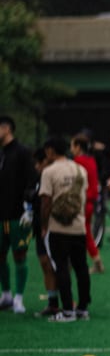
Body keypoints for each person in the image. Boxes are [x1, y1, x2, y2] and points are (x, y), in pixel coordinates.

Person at [39, 136, 90, 322]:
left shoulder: (49, 172)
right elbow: (82, 197)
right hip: (79, 227)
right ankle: (83, 308)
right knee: (81, 268)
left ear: (51, 151)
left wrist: (44, 226)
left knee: (61, 267)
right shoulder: (80, 170)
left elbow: (46, 202)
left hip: (58, 227)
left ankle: (67, 310)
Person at [0, 115, 38, 315]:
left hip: (17, 215)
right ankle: (5, 294)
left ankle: (19, 297)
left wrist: (29, 209)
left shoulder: (22, 152)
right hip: (0, 215)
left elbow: (32, 181)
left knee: (19, 255)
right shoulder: (1, 154)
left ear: (7, 129)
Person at [71, 134, 105, 275]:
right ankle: (96, 262)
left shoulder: (77, 161)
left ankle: (92, 262)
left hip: (82, 203)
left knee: (77, 234)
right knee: (86, 234)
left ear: (78, 147)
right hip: (90, 203)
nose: (71, 149)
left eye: (72, 146)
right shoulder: (91, 160)